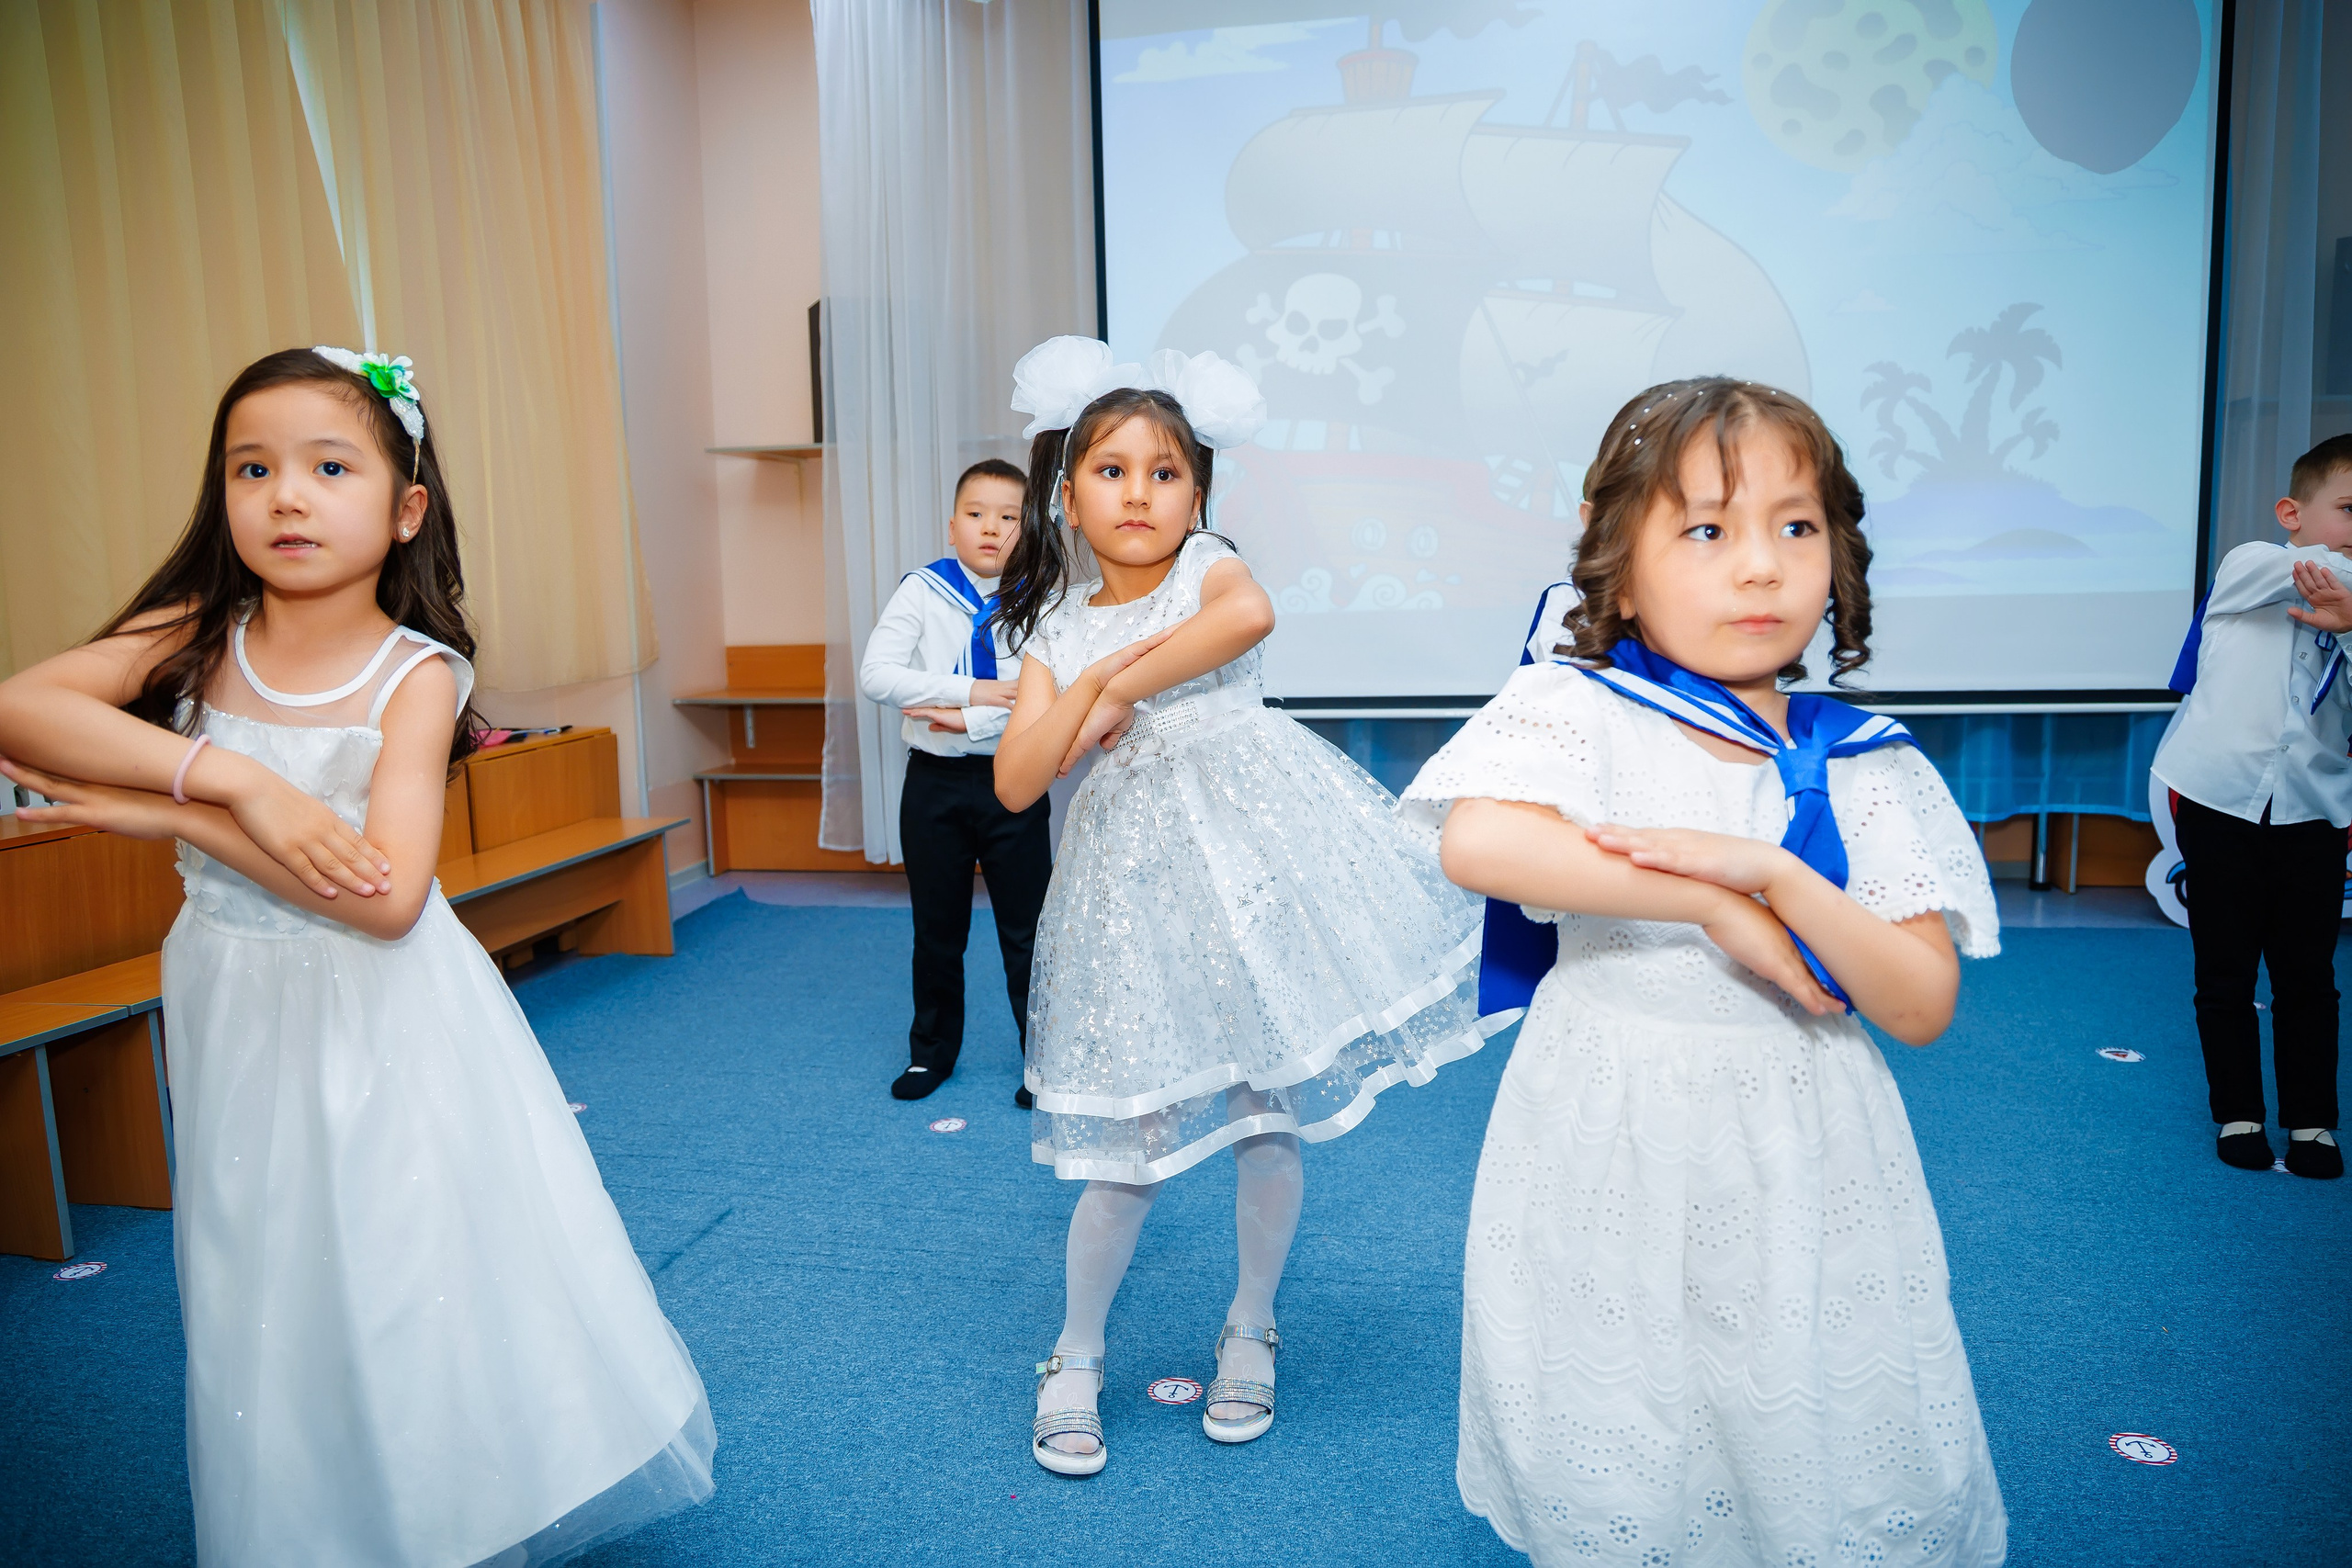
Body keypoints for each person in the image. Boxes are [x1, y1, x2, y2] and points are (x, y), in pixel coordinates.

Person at [0, 348, 713, 1565]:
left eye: (330, 468)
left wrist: (180, 815)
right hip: (231, 990)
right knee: (262, 1262)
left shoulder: (416, 676)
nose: (287, 495)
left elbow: (385, 903)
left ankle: (439, 1513)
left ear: (405, 509)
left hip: (383, 1011)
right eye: (252, 469)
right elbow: (23, 707)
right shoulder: (200, 632)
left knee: (395, 1255)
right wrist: (229, 777)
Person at [1401, 378, 2007, 1566]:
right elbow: (1481, 842)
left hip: (1798, 1130)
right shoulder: (1580, 707)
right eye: (1707, 529)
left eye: (1796, 525)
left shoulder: (1867, 762)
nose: (1761, 566)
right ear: (1619, 570)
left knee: (1791, 1365)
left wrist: (1771, 873)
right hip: (1609, 1119)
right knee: (1624, 1375)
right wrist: (1710, 903)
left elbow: (1919, 1000)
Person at [993, 338, 1488, 1476]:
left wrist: (1114, 686)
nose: (1139, 493)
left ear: (1198, 496)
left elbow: (1248, 616)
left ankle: (1251, 1328)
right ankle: (1074, 1354)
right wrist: (1083, 683)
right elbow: (1018, 780)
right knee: (1124, 1142)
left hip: (1258, 871)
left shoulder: (1207, 569)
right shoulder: (1052, 633)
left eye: (1164, 472)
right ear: (1065, 494)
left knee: (1267, 1113)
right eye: (1111, 470)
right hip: (1131, 895)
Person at [2151, 433, 2352, 1179]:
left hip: (2313, 811)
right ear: (2291, 513)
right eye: (2350, 509)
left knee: (2309, 977)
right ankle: (2239, 1112)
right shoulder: (2249, 564)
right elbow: (2315, 571)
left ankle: (2312, 1123)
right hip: (2220, 802)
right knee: (2225, 972)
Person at [859, 457, 1052, 1105]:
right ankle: (930, 1054)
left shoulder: (1042, 598)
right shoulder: (921, 590)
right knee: (936, 927)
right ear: (952, 526)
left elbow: (1042, 698)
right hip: (934, 784)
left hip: (1012, 781)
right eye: (976, 514)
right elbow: (878, 675)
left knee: (1027, 930)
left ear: (1028, 528)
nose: (991, 528)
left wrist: (960, 715)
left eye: (1008, 517)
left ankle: (1044, 1061)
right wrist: (973, 691)